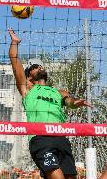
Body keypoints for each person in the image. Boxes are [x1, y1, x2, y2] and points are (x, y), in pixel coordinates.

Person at [8, 28, 92, 179]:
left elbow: (69, 101)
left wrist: (76, 102)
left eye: (40, 66)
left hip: (61, 138)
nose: (38, 68)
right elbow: (14, 61)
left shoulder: (58, 92)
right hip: (41, 138)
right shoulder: (27, 90)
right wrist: (14, 43)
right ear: (28, 77)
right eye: (34, 67)